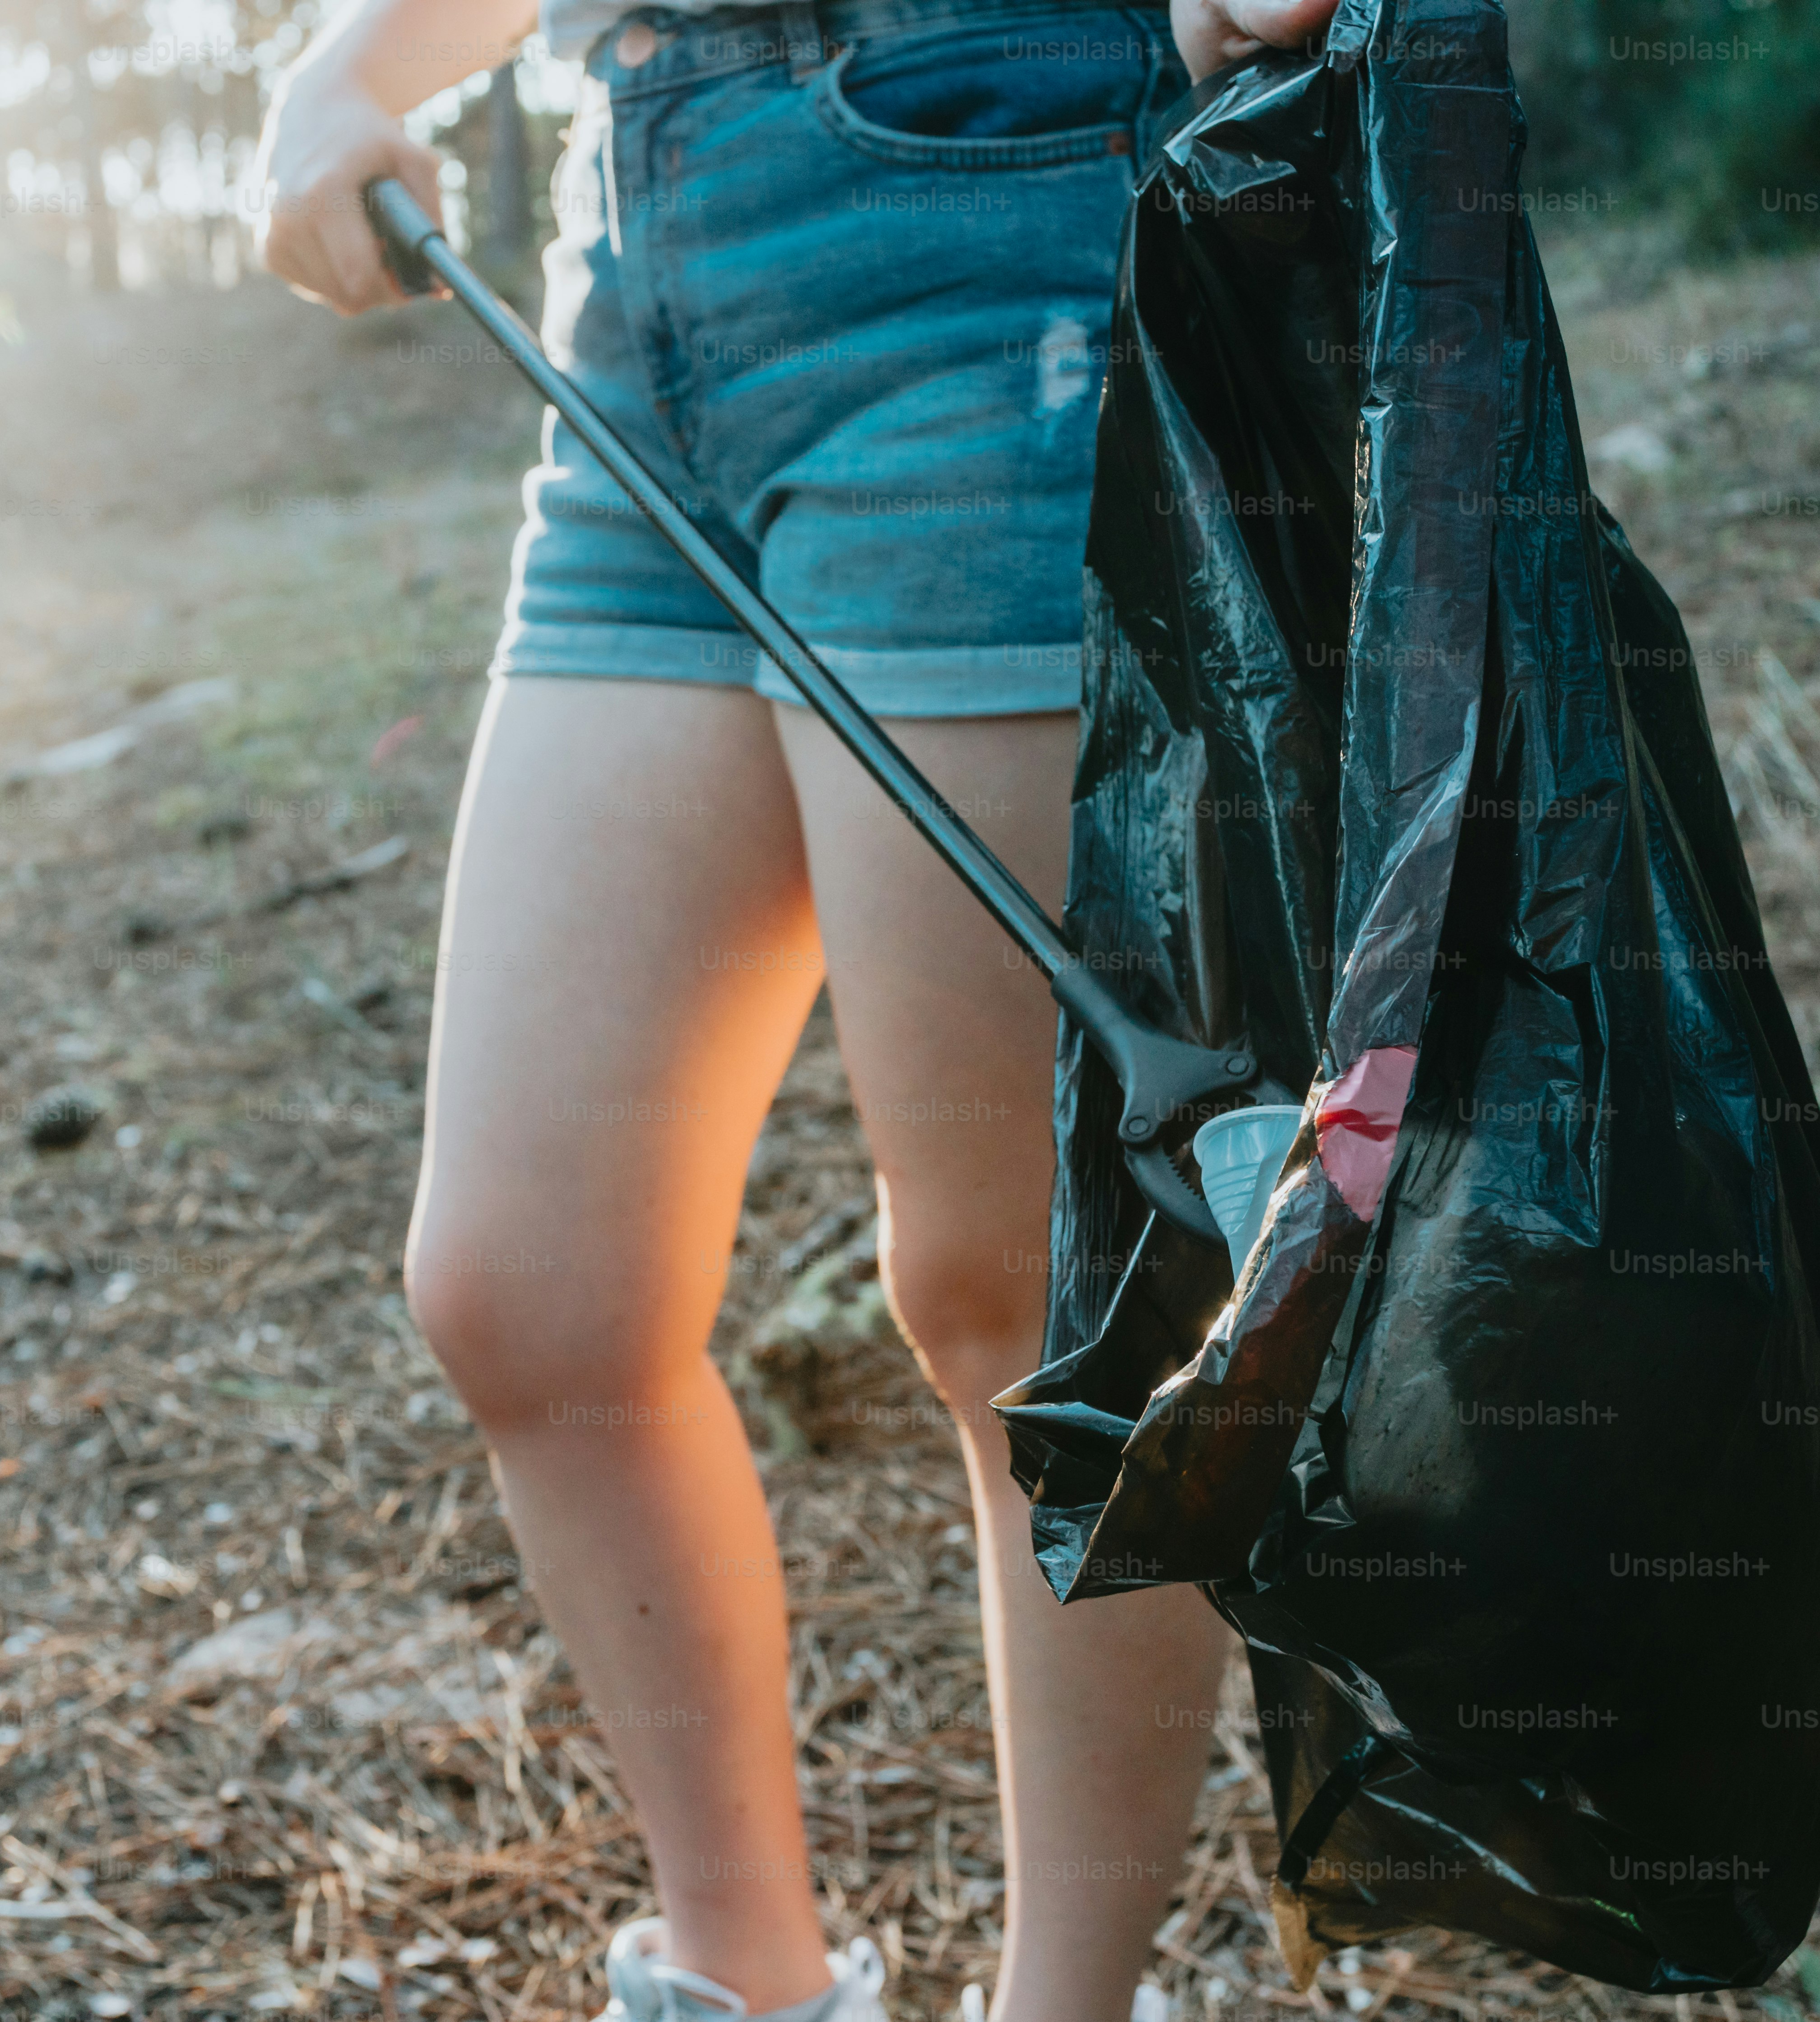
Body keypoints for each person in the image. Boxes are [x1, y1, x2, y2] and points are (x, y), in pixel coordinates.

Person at [256, 0, 1336, 2015]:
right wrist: (352, 61)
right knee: (529, 1288)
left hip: (998, 200)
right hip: (643, 249)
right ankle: (743, 1978)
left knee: (1024, 1291)